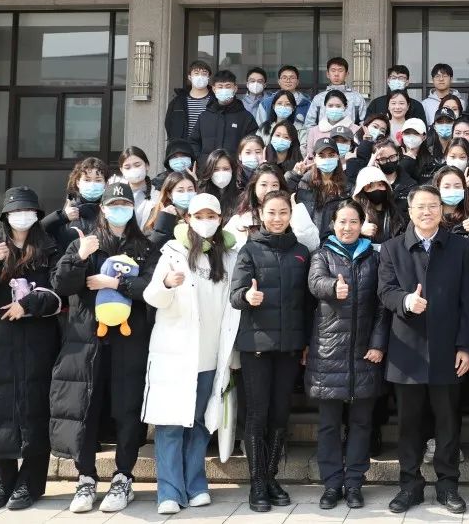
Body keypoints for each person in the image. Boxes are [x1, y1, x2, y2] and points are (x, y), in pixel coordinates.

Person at [50, 182, 157, 514]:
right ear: (103, 209)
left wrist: (117, 283)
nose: (119, 210)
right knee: (86, 406)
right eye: (114, 204)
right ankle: (85, 477)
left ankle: (123, 477)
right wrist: (80, 257)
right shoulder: (84, 241)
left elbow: (151, 289)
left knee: (127, 408)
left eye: (125, 204)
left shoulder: (145, 246)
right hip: (87, 339)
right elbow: (61, 284)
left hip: (129, 339)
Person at [377, 185, 469, 515]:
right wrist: (406, 301)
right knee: (409, 425)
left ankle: (448, 486)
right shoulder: (392, 248)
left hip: (448, 350)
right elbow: (385, 292)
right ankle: (410, 485)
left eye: (433, 206)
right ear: (409, 211)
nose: (427, 212)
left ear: (441, 209)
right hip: (407, 351)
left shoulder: (460, 247)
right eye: (420, 206)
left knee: (448, 423)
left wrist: (466, 346)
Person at [0, 187, 62, 512]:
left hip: (38, 341)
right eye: (16, 211)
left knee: (36, 410)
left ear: (37, 214)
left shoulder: (49, 247)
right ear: (6, 215)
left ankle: (29, 484)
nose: (22, 216)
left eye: (28, 210)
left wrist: (28, 304)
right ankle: (1, 483)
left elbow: (59, 291)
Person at [141, 193, 239, 515]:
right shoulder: (173, 252)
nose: (206, 222)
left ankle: (196, 484)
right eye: (200, 216)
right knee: (170, 423)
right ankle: (169, 490)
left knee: (199, 423)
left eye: (212, 216)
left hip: (210, 356)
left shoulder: (229, 256)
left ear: (220, 219)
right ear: (188, 219)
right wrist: (167, 284)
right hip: (177, 354)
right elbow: (152, 297)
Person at [229, 189, 314, 512]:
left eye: (283, 213)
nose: (277, 219)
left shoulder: (302, 252)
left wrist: (306, 342)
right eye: (271, 213)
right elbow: (235, 294)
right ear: (261, 215)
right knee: (257, 414)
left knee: (280, 413)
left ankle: (271, 476)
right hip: (257, 346)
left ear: (290, 216)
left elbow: (308, 304)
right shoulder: (249, 250)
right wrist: (246, 298)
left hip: (290, 347)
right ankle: (257, 483)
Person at [307, 199, 389, 510]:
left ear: (362, 224)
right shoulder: (322, 254)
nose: (347, 227)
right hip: (328, 352)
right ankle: (331, 484)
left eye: (354, 221)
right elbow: (315, 282)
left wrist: (378, 344)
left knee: (361, 423)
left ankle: (354, 483)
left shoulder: (375, 257)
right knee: (329, 424)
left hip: (364, 353)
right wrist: (332, 287)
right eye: (342, 221)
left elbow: (382, 305)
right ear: (333, 224)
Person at [224, 163, 319, 251]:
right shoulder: (241, 220)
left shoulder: (292, 214)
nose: (269, 190)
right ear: (254, 187)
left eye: (274, 185)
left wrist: (296, 211)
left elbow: (310, 245)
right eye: (263, 185)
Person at [189, 70, 259, 162]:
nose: (224, 89)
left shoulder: (246, 117)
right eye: (220, 87)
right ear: (214, 89)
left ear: (235, 88)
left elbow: (253, 144)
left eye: (228, 86)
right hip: (207, 167)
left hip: (235, 168)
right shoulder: (204, 116)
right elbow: (193, 142)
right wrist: (201, 160)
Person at [40, 157, 107, 245]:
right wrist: (62, 216)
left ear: (106, 183)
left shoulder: (110, 211)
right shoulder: (69, 209)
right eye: (87, 180)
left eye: (98, 180)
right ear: (78, 183)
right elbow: (39, 230)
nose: (92, 184)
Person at [294, 138, 350, 240]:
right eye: (321, 156)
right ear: (315, 158)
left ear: (337, 157)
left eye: (331, 155)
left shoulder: (347, 188)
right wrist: (294, 176)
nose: (327, 159)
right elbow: (282, 196)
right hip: (304, 241)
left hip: (332, 243)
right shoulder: (303, 182)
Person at [352, 166, 407, 247]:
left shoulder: (396, 212)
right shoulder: (353, 214)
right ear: (362, 191)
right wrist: (359, 231)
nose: (376, 189)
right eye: (370, 186)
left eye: (380, 184)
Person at [304, 57, 367, 128]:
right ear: (328, 74)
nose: (336, 74)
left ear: (346, 74)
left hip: (350, 135)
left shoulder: (357, 98)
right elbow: (309, 125)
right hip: (322, 134)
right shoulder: (318, 98)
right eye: (333, 70)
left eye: (340, 70)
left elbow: (363, 124)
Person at [143, 171, 198, 250]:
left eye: (190, 190)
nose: (186, 194)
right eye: (180, 191)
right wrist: (165, 220)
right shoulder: (159, 212)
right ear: (169, 194)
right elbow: (150, 246)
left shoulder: (200, 212)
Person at [165, 60, 212, 141]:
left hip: (207, 146)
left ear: (208, 77)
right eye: (196, 73)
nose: (200, 76)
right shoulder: (178, 101)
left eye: (204, 73)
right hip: (183, 146)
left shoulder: (215, 101)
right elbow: (169, 124)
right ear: (189, 77)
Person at [258, 65, 311, 131]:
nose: (288, 80)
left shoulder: (307, 104)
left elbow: (310, 129)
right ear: (279, 82)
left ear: (297, 82)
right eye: (284, 77)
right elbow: (260, 128)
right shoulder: (266, 103)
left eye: (292, 78)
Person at [306, 90, 358, 156]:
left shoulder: (356, 130)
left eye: (338, 106)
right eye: (330, 106)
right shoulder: (314, 131)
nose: (334, 109)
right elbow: (310, 156)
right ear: (325, 106)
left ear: (345, 107)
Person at [119, 147, 157, 228]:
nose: (133, 170)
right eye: (127, 167)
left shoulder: (157, 196)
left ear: (147, 166)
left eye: (137, 165)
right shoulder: (116, 193)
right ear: (121, 170)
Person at [199, 149, 244, 215]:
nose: (221, 173)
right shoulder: (201, 196)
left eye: (226, 169)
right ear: (209, 171)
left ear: (232, 170)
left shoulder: (241, 196)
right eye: (216, 169)